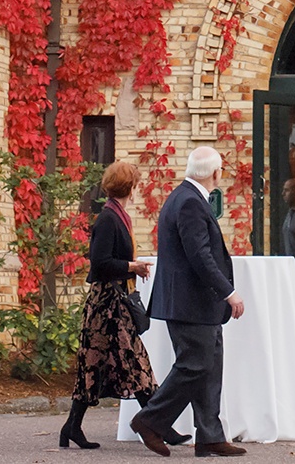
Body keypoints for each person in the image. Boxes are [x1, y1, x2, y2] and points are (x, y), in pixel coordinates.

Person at [131, 146, 247, 458]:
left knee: (208, 366)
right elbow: (200, 256)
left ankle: (209, 435)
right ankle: (149, 420)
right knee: (194, 365)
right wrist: (229, 292)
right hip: (190, 303)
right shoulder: (190, 203)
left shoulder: (183, 197)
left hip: (195, 304)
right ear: (215, 173)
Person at [67, 160, 184, 451]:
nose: (137, 189)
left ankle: (72, 427)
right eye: (135, 184)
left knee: (119, 364)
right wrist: (132, 266)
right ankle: (156, 425)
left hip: (112, 305)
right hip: (106, 306)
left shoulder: (116, 215)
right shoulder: (108, 218)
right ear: (129, 186)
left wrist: (131, 267)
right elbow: (100, 263)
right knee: (126, 363)